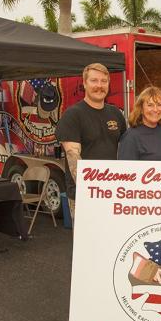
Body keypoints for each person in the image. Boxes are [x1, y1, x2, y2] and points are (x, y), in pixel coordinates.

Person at [55, 63, 126, 224]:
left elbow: (123, 149)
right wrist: (91, 191)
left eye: (103, 81)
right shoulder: (73, 115)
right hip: (84, 195)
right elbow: (74, 157)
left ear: (108, 84)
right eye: (94, 81)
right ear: (84, 83)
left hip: (114, 193)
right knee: (86, 246)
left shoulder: (116, 113)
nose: (99, 86)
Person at [118, 86, 161, 161]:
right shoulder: (131, 137)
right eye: (150, 105)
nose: (155, 109)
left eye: (159, 105)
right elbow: (126, 169)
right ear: (141, 109)